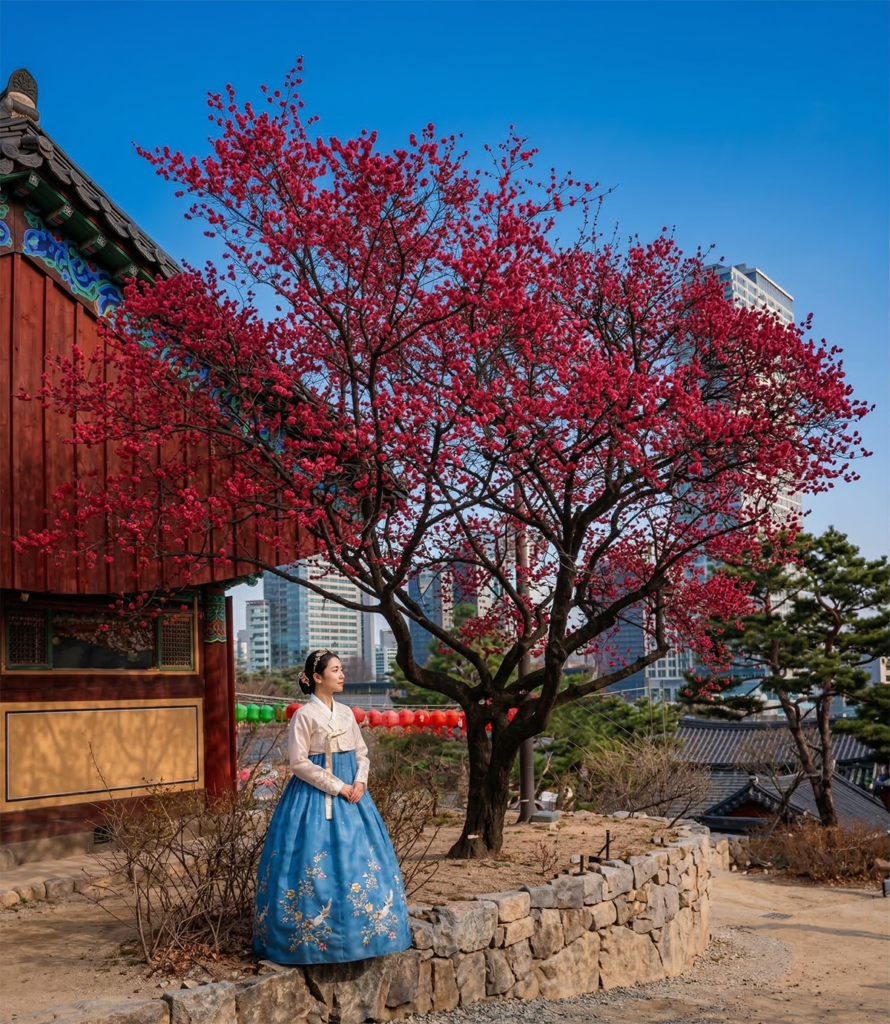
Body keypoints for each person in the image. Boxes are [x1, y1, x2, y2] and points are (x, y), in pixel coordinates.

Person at [253, 649, 411, 964]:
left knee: (360, 862)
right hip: (313, 799)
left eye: (341, 669)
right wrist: (339, 787)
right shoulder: (304, 715)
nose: (341, 675)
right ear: (316, 677)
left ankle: (363, 938)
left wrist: (360, 782)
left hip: (354, 799)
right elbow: (299, 763)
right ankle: (309, 944)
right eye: (335, 670)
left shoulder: (347, 713)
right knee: (309, 864)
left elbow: (361, 753)